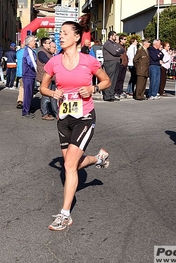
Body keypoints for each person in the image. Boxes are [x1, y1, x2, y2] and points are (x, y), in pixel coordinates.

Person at [40, 21, 111, 231]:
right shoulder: (54, 62)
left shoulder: (89, 61)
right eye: (59, 33)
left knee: (70, 165)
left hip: (85, 116)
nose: (60, 37)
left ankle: (64, 215)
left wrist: (93, 88)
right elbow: (43, 87)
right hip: (64, 118)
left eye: (65, 33)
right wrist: (53, 93)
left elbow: (106, 81)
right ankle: (99, 158)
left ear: (77, 37)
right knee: (71, 164)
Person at [36, 38, 56, 120]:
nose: (49, 44)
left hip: (50, 76)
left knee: (51, 95)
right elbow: (49, 62)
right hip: (44, 77)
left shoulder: (47, 52)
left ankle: (52, 111)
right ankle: (45, 113)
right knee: (45, 96)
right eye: (48, 43)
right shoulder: (41, 52)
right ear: (43, 44)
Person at [102, 31, 124, 102]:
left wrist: (118, 51)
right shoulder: (107, 44)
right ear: (110, 36)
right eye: (114, 35)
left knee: (114, 79)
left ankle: (112, 94)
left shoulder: (115, 44)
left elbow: (122, 49)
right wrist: (118, 52)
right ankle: (107, 95)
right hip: (110, 63)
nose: (116, 37)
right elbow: (114, 52)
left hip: (116, 62)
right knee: (110, 78)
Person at [21, 35, 37, 118]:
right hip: (28, 75)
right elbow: (32, 62)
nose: (35, 42)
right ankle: (25, 110)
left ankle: (28, 107)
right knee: (28, 93)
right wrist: (38, 71)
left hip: (30, 74)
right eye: (34, 41)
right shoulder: (28, 50)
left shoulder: (30, 50)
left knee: (30, 93)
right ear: (30, 42)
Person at [114, 35, 128, 99]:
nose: (126, 41)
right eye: (124, 39)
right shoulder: (118, 46)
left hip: (124, 63)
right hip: (120, 63)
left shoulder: (124, 47)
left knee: (122, 79)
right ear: (121, 40)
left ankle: (120, 90)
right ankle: (116, 91)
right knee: (118, 78)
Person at [15, 43, 25, 109]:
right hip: (26, 73)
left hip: (19, 72)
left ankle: (20, 100)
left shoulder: (18, 53)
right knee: (28, 88)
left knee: (22, 87)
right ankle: (27, 102)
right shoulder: (28, 52)